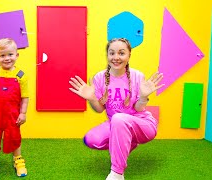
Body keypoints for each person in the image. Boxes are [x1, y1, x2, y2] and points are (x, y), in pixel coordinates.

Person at [69, 38, 164, 180]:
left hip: (142, 124)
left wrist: (143, 97)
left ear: (129, 55)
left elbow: (139, 108)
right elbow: (100, 109)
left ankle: (117, 174)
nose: (116, 57)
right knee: (91, 139)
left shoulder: (137, 76)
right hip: (116, 124)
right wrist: (92, 98)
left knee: (119, 118)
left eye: (121, 53)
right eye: (112, 53)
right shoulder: (99, 77)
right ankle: (127, 142)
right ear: (107, 55)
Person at [0, 38, 29, 179]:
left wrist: (23, 113)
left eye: (10, 54)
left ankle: (18, 160)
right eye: (2, 55)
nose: (7, 58)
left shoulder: (21, 76)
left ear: (17, 55)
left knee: (14, 136)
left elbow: (25, 97)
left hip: (12, 115)